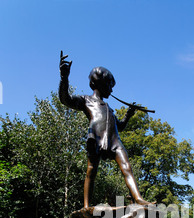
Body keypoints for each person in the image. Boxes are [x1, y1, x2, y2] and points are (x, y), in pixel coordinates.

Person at [59, 51, 151, 208]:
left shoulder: (109, 109)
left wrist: (128, 115)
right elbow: (65, 99)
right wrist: (64, 78)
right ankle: (87, 206)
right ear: (99, 84)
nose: (111, 90)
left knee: (126, 167)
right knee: (91, 170)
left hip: (114, 140)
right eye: (109, 85)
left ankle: (138, 198)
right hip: (95, 137)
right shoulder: (86, 100)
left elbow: (119, 126)